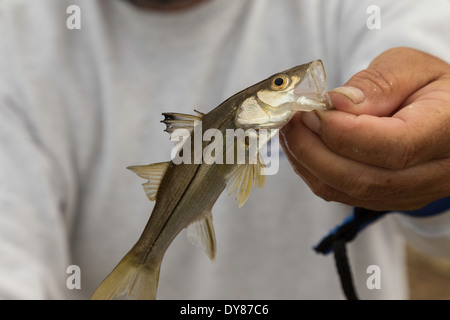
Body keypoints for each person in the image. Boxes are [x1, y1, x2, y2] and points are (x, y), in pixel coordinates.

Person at [0, 0, 449, 300]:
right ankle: (144, 259)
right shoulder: (14, 43)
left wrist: (434, 176)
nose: (295, 81)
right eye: (279, 84)